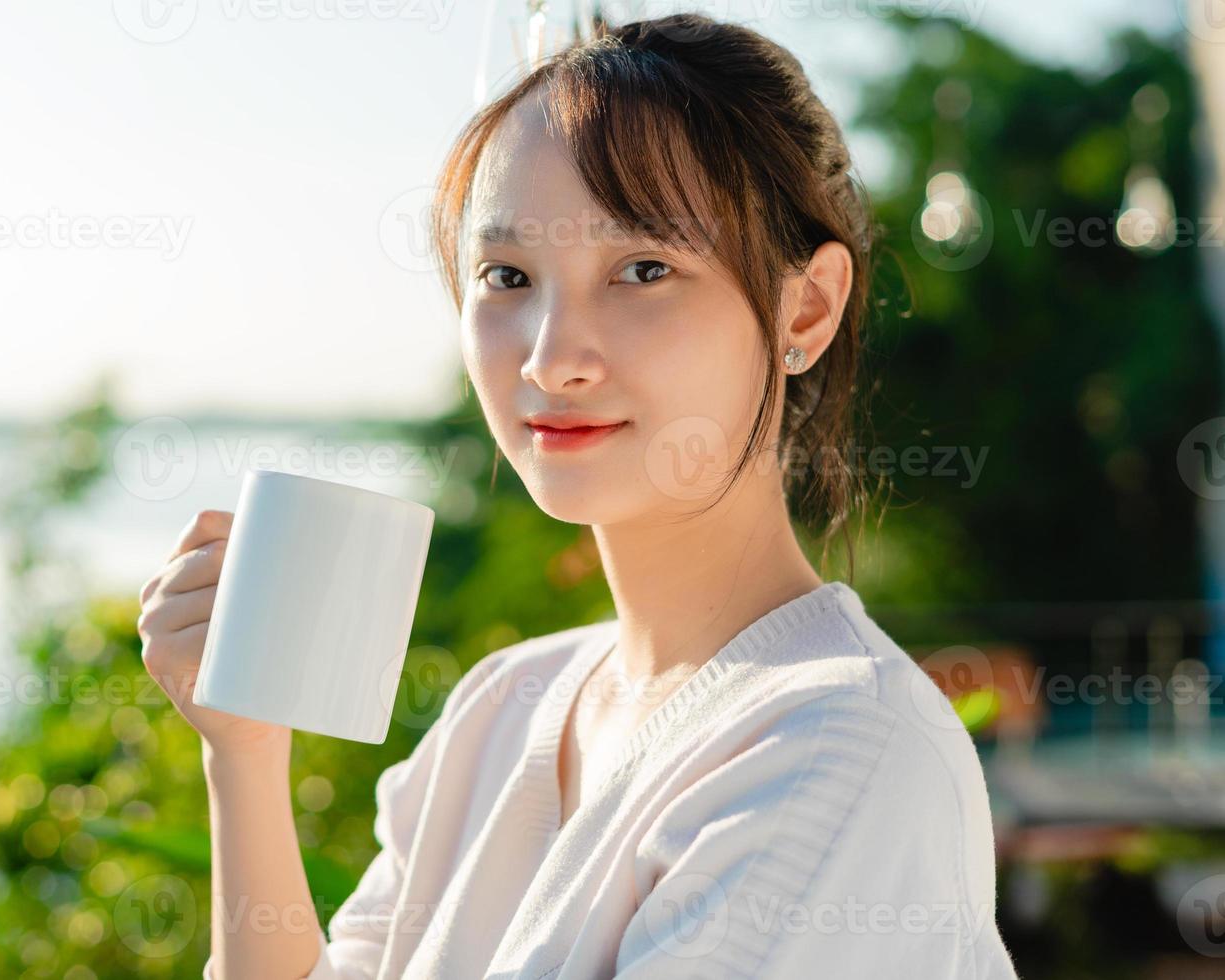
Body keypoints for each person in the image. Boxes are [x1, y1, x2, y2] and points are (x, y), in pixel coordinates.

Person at [137, 13, 1022, 978]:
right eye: (507, 276)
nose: (552, 358)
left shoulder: (840, 749)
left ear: (802, 306)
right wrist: (245, 753)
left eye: (644, 270)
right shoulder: (499, 710)